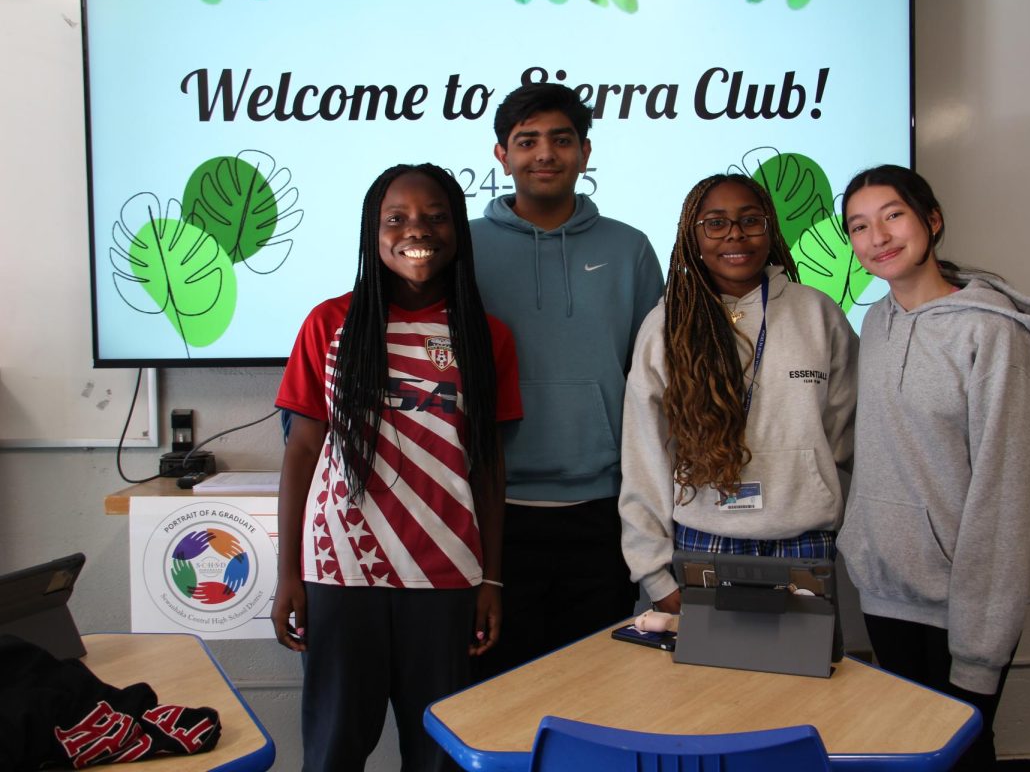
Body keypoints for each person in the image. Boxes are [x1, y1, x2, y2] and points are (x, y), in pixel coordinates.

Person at [271, 163, 522, 771]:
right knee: (334, 749)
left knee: (438, 754)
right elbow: (302, 452)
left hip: (445, 576)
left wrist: (490, 579)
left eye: (436, 216)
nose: (418, 229)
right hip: (339, 573)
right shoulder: (330, 323)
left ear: (457, 229)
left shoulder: (486, 336)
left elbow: (487, 468)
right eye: (397, 218)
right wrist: (289, 576)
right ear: (372, 230)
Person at [835, 164, 1030, 770]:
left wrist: (981, 644)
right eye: (859, 225)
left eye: (893, 216)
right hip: (886, 591)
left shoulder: (991, 335)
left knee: (961, 754)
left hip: (962, 601)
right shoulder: (877, 321)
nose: (876, 236)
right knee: (906, 748)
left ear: (931, 220)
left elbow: (1009, 492)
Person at [471, 82, 664, 677]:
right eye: (526, 141)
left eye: (560, 139)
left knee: (595, 688)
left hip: (602, 508)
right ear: (501, 155)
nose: (544, 154)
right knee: (495, 693)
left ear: (584, 150)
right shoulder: (464, 247)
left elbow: (654, 380)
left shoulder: (629, 248)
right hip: (492, 511)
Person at [619, 173, 857, 614]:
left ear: (770, 228)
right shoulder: (667, 324)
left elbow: (852, 439)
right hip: (704, 542)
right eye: (715, 222)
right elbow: (645, 455)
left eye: (750, 220)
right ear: (692, 234)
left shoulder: (817, 313)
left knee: (803, 680)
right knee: (709, 682)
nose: (735, 234)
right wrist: (652, 571)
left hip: (803, 542)